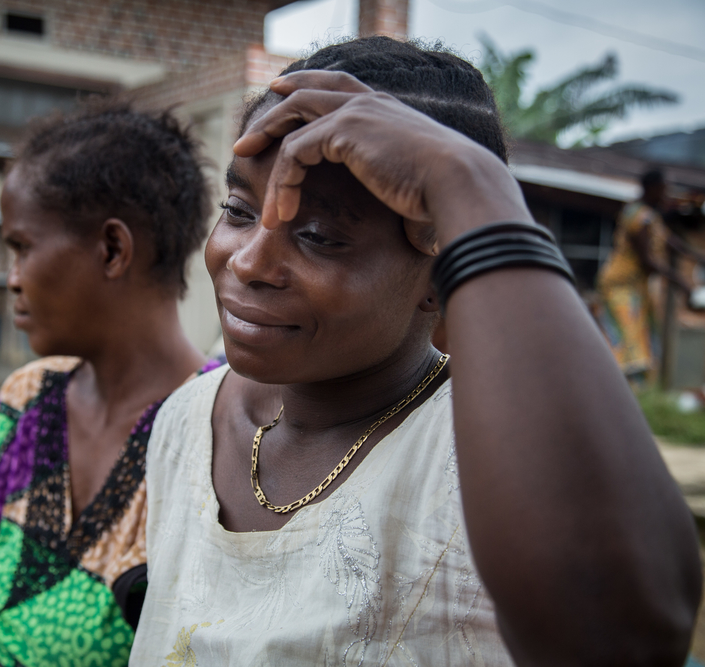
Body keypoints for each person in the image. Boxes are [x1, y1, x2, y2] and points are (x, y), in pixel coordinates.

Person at [130, 37, 701, 665]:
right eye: (239, 211)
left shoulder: (484, 463)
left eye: (318, 236)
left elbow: (625, 639)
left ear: (438, 270)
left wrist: (471, 186)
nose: (247, 262)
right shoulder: (187, 423)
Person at [0, 102, 214, 667]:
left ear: (112, 250)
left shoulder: (213, 430)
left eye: (22, 248)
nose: (12, 279)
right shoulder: (28, 399)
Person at [597, 169, 705, 381]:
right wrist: (684, 284)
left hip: (637, 285)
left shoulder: (650, 216)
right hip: (621, 284)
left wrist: (697, 256)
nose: (666, 193)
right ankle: (620, 387)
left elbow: (670, 241)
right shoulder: (639, 217)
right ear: (651, 188)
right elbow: (648, 261)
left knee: (644, 337)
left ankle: (636, 388)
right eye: (663, 189)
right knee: (628, 339)